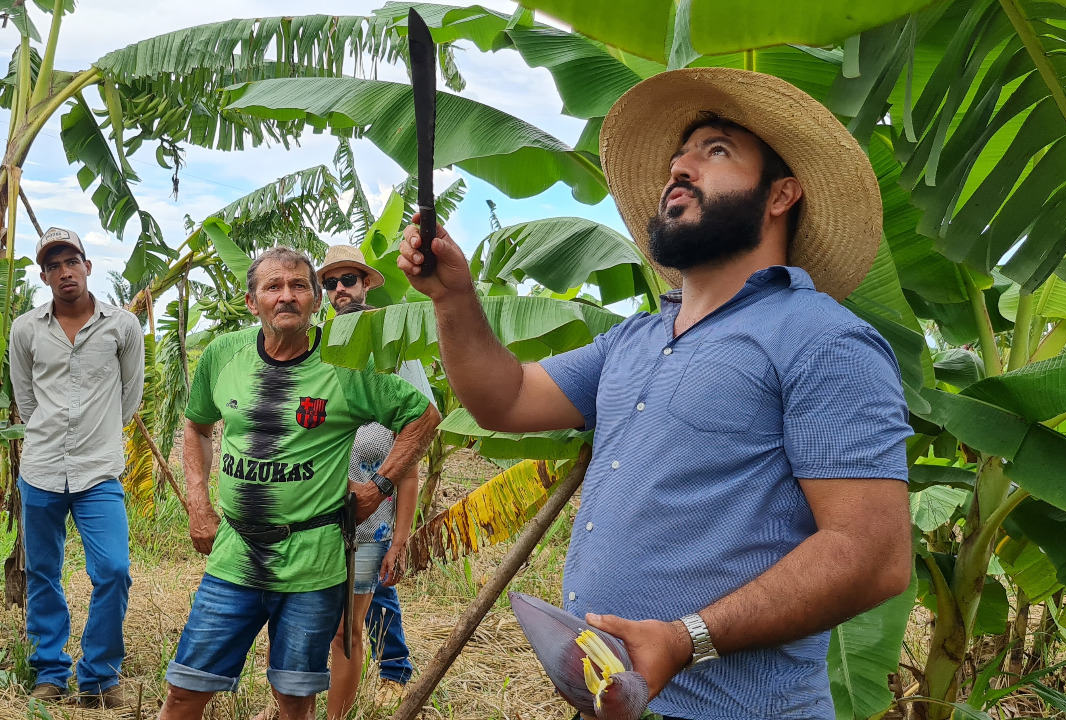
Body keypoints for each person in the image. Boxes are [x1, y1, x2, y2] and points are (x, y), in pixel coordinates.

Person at [397, 67, 912, 719]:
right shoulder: (634, 339)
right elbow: (507, 399)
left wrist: (686, 640)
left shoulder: (820, 339)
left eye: (715, 151)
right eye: (678, 157)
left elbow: (873, 556)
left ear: (781, 194)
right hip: (612, 698)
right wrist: (453, 298)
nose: (681, 168)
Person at [158, 247, 441, 720]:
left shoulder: (345, 364)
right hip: (235, 556)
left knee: (294, 700)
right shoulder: (225, 353)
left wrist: (378, 488)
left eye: (299, 287)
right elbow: (197, 426)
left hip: (315, 563)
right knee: (186, 690)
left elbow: (423, 416)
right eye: (273, 286)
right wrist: (198, 504)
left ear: (314, 302)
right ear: (252, 302)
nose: (286, 296)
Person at [7, 227, 144, 708]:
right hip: (41, 468)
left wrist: (98, 432)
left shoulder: (122, 326)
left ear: (88, 266)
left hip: (97, 471)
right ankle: (50, 669)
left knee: (113, 570)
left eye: (73, 262)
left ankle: (100, 677)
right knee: (43, 572)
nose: (65, 272)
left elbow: (130, 398)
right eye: (54, 265)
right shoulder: (25, 329)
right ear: (44, 276)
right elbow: (25, 399)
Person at [316, 246, 430, 714]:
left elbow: (415, 443)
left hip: (373, 516)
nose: (340, 290)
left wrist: (401, 536)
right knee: (312, 619)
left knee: (350, 625)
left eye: (349, 280)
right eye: (331, 283)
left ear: (366, 284)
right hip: (318, 518)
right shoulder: (319, 348)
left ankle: (381, 679)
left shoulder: (393, 346)